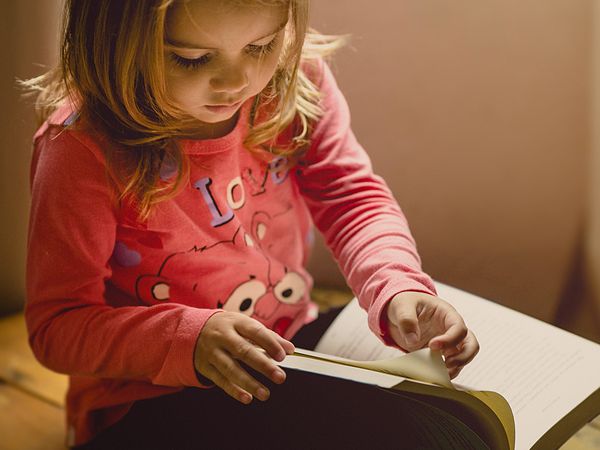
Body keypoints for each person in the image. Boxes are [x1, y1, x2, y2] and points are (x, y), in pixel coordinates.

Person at [24, 0, 480, 448]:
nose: (237, 81)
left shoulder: (294, 82)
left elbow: (351, 196)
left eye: (262, 46)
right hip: (149, 395)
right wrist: (188, 340)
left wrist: (397, 284)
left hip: (292, 348)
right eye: (192, 58)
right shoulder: (81, 149)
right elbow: (58, 327)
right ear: (109, 42)